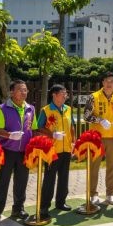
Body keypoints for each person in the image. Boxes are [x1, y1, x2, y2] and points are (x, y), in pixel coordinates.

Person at [0, 80, 38, 226]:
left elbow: (33, 128)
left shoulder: (31, 109)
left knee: (22, 182)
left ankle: (18, 208)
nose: (24, 93)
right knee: (2, 182)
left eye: (25, 90)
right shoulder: (3, 108)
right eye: (20, 90)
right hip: (7, 151)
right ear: (12, 92)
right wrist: (10, 135)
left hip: (24, 151)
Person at [83, 72, 113, 206]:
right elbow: (86, 115)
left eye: (112, 81)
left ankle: (110, 193)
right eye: (107, 81)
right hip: (96, 137)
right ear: (103, 82)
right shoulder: (93, 96)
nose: (109, 84)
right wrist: (99, 120)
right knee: (94, 166)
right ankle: (93, 194)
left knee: (112, 166)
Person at [38, 84, 76, 219]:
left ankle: (61, 202)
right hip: (52, 150)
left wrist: (73, 143)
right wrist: (52, 134)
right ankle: (44, 207)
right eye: (62, 93)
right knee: (49, 178)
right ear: (54, 95)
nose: (65, 96)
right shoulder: (46, 110)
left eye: (66, 93)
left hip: (66, 149)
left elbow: (72, 126)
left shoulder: (68, 109)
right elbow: (39, 127)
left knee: (64, 177)